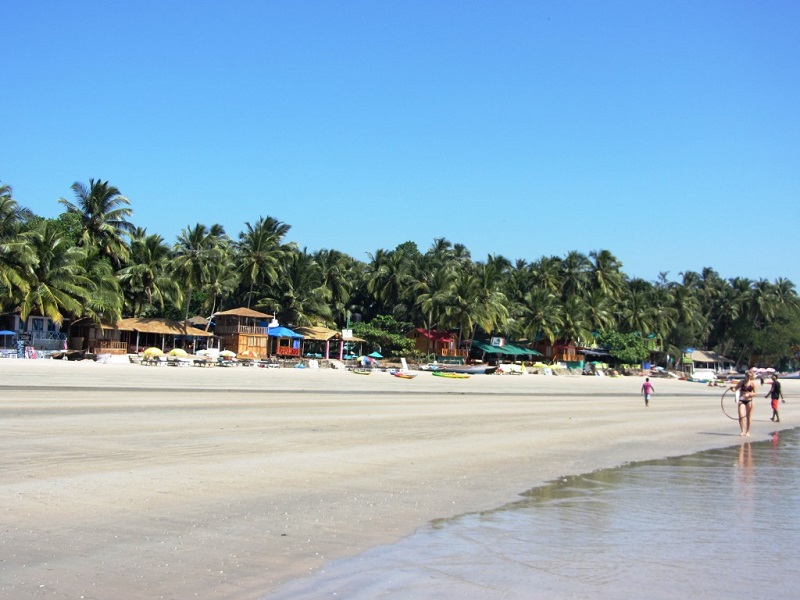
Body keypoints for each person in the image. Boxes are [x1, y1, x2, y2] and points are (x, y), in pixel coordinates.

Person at [731, 370, 757, 436]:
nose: (748, 377)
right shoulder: (741, 382)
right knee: (741, 416)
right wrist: (732, 389)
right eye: (747, 375)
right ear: (745, 375)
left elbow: (755, 393)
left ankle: (748, 431)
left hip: (749, 401)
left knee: (749, 417)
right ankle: (742, 431)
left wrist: (749, 394)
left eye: (750, 376)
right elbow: (735, 389)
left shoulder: (752, 384)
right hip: (741, 400)